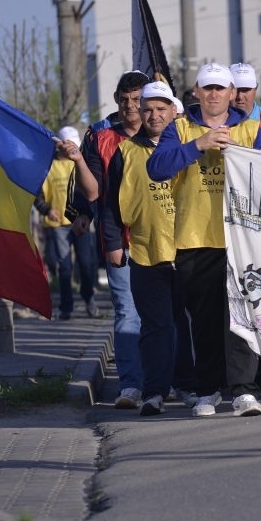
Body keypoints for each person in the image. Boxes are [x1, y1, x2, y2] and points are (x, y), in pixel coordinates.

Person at [146, 63, 261, 418]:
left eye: (221, 88)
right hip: (196, 239)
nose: (214, 94)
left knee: (243, 317)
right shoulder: (180, 128)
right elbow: (157, 169)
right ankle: (209, 389)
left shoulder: (250, 128)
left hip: (243, 240)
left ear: (233, 93)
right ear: (197, 93)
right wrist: (198, 145)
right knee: (203, 320)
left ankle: (244, 391)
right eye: (208, 89)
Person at [103, 81, 198, 416]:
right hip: (146, 251)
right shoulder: (126, 152)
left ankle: (188, 386)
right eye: (148, 109)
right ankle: (154, 392)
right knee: (154, 325)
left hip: (190, 251)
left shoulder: (193, 146)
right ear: (139, 113)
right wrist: (113, 242)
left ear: (175, 111)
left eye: (161, 109)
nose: (154, 115)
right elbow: (112, 202)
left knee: (187, 323)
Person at [62, 70, 150, 409]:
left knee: (167, 314)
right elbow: (93, 190)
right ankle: (130, 386)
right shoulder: (99, 135)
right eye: (125, 99)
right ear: (117, 100)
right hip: (119, 238)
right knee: (128, 313)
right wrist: (82, 211)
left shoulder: (167, 129)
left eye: (137, 99)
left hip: (162, 239)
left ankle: (169, 380)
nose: (131, 106)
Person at [41, 126, 98, 320]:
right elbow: (37, 195)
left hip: (79, 221)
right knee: (64, 266)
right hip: (59, 225)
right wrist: (47, 210)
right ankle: (67, 307)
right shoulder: (48, 166)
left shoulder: (81, 163)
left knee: (86, 264)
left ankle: (89, 299)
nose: (72, 148)